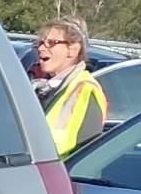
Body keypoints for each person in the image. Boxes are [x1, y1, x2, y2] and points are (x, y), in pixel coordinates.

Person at [29, 18, 109, 155]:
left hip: (61, 172)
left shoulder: (85, 89)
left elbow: (87, 150)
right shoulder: (41, 87)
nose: (41, 48)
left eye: (51, 43)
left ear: (73, 50)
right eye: (41, 43)